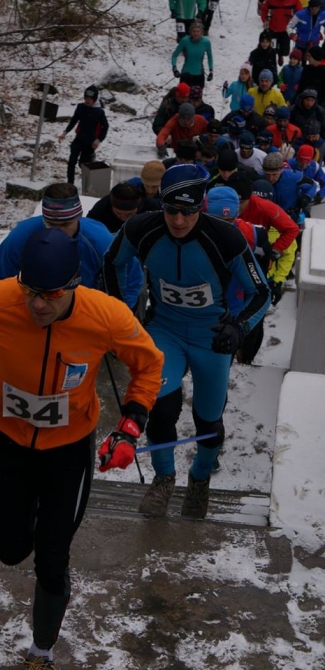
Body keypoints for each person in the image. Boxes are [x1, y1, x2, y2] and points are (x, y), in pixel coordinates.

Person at [0, 227, 164, 670]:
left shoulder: (107, 316)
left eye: (49, 294)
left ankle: (40, 650)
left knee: (51, 556)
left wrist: (129, 428)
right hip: (8, 443)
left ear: (73, 285)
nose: (37, 304)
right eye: (29, 291)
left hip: (68, 452)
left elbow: (149, 364)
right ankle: (35, 524)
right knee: (9, 550)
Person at [104, 164, 270, 520]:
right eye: (171, 211)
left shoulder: (224, 236)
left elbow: (262, 292)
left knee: (208, 420)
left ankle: (199, 480)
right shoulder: (141, 228)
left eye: (189, 212)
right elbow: (112, 262)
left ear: (202, 206)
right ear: (160, 204)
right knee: (159, 407)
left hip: (211, 336)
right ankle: (164, 479)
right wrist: (123, 313)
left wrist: (239, 329)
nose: (179, 221)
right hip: (165, 330)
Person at [0, 183, 144, 310]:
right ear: (44, 218)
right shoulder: (23, 236)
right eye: (51, 224)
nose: (58, 231)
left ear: (79, 216)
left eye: (65, 224)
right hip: (36, 310)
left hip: (85, 312)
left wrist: (117, 316)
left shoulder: (99, 240)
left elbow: (132, 278)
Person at [205, 186, 272, 365]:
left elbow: (261, 283)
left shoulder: (255, 234)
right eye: (218, 220)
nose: (224, 227)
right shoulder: (189, 231)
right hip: (197, 312)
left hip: (233, 310)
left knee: (218, 369)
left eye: (230, 220)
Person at [227, 172, 300, 257]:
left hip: (253, 254)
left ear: (249, 197)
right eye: (233, 202)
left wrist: (275, 249)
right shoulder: (215, 202)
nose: (238, 206)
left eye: (242, 202)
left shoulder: (265, 207)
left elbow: (292, 229)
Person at [59, 85, 109, 185]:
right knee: (71, 162)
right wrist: (65, 132)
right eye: (86, 98)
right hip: (79, 139)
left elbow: (105, 127)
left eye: (90, 99)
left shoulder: (99, 112)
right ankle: (70, 183)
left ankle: (87, 184)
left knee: (83, 165)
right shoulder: (80, 107)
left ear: (94, 99)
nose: (87, 101)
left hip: (90, 142)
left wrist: (98, 140)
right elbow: (74, 120)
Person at [262, 151, 316, 223]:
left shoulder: (293, 177)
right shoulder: (260, 180)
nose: (270, 178)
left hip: (290, 216)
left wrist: (307, 197)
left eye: (274, 175)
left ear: (281, 170)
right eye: (267, 174)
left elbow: (312, 185)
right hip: (269, 217)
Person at [87, 182, 160, 234]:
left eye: (129, 214)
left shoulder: (153, 208)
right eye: (118, 213)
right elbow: (88, 228)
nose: (123, 218)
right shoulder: (101, 208)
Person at [171, 19, 214, 89]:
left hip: (199, 74)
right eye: (194, 31)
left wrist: (211, 71)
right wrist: (174, 68)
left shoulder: (206, 42)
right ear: (190, 32)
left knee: (196, 99)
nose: (196, 33)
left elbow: (210, 57)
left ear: (201, 32)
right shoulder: (185, 41)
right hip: (186, 74)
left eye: (198, 31)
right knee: (184, 98)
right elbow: (174, 55)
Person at [260, 0, 303, 66]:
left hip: (286, 29)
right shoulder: (269, 1)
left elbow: (300, 12)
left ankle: (280, 55)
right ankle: (272, 61)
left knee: (285, 49)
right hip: (272, 29)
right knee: (271, 49)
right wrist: (265, 20)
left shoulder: (294, 1)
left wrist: (296, 23)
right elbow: (264, 9)